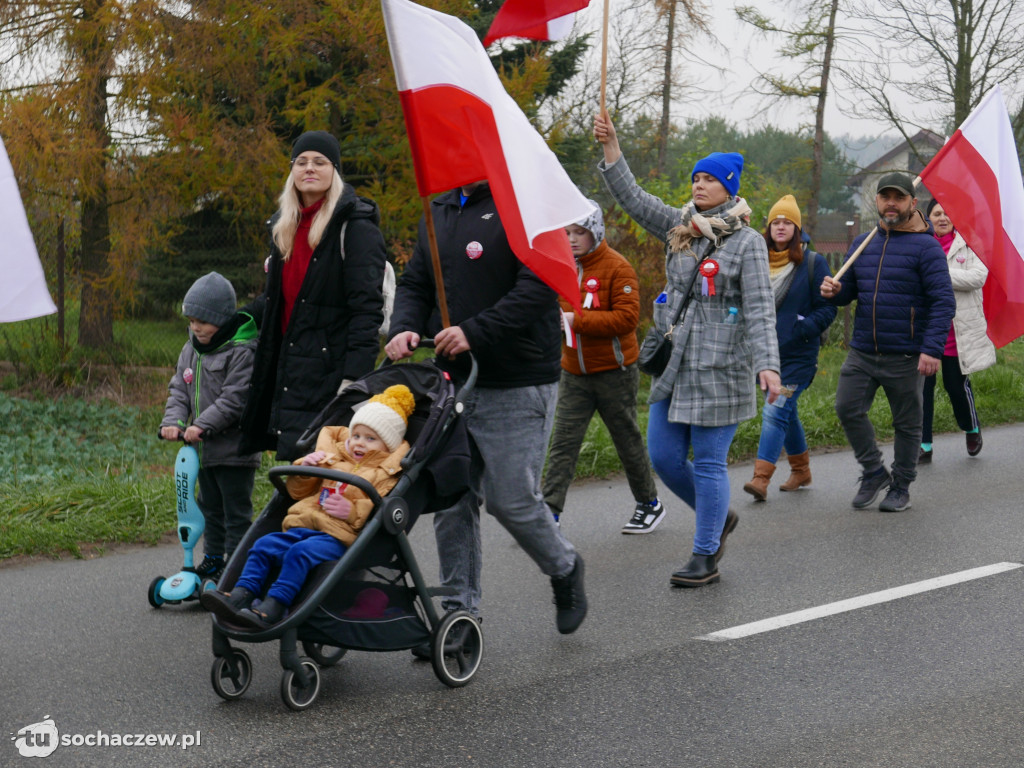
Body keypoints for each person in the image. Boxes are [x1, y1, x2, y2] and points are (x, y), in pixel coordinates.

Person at [384, 179, 587, 639]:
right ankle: (460, 614)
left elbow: (541, 286)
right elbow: (417, 281)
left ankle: (564, 567)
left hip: (517, 378)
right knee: (452, 498)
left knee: (510, 501)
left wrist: (475, 330)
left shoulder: (525, 203)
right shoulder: (437, 207)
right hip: (453, 377)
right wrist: (405, 326)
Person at [594, 113, 782, 588]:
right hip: (674, 367)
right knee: (664, 458)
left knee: (713, 462)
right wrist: (612, 147)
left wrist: (768, 366)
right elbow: (633, 200)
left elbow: (761, 309)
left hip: (722, 369)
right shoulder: (680, 226)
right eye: (696, 178)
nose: (699, 185)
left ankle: (705, 555)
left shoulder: (748, 243)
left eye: (709, 180)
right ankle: (716, 515)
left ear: (729, 187)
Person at [201, 384, 415, 629]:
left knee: (299, 553)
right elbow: (297, 492)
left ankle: (275, 605)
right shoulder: (334, 458)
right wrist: (307, 465)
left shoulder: (383, 474)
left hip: (338, 538)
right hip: (302, 527)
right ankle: (241, 595)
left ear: (388, 445)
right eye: (356, 435)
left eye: (370, 439)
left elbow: (384, 511)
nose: (359, 444)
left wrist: (352, 511)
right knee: (263, 545)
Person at [240, 130, 388, 461]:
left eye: (320, 162)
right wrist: (230, 322)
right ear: (292, 171)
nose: (310, 168)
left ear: (334, 171)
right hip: (289, 369)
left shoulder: (357, 229)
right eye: (301, 161)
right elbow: (277, 302)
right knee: (299, 471)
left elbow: (367, 311)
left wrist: (355, 379)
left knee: (325, 470)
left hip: (331, 373)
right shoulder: (283, 227)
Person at [820, 173, 956, 512]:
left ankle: (901, 486)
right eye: (885, 197)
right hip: (863, 349)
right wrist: (835, 293)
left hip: (907, 354)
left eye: (898, 197)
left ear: (912, 202)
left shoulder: (926, 247)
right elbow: (850, 292)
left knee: (907, 424)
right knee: (846, 408)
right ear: (877, 202)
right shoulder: (864, 242)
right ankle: (873, 471)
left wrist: (931, 349)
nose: (891, 203)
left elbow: (943, 301)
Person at [540, 201, 665, 533]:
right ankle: (549, 514)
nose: (571, 239)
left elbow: (627, 319)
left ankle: (649, 504)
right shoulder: (562, 266)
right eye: (566, 232)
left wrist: (575, 320)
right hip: (573, 372)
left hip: (615, 372)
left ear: (595, 231)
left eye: (579, 232)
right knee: (563, 443)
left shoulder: (617, 267)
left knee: (626, 440)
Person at [160, 272, 261, 581]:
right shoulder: (190, 350)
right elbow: (179, 391)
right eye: (191, 321)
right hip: (202, 452)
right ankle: (214, 560)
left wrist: (201, 425)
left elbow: (235, 399)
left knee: (235, 511)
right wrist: (174, 422)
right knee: (208, 508)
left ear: (221, 317)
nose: (195, 327)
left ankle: (238, 566)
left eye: (202, 321)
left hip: (234, 451)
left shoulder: (241, 352)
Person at [743, 195, 837, 501]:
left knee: (775, 409)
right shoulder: (756, 260)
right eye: (775, 222)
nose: (780, 227)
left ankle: (760, 478)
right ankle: (801, 470)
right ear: (768, 228)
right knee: (786, 411)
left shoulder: (812, 262)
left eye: (787, 222)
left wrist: (800, 328)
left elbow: (827, 310)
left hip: (798, 358)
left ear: (796, 229)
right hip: (765, 356)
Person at [919, 199, 995, 461]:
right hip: (926, 329)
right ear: (928, 218)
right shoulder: (921, 244)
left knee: (955, 385)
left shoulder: (969, 243)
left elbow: (978, 277)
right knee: (922, 389)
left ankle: (971, 427)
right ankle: (924, 445)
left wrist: (940, 273)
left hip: (957, 330)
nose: (942, 218)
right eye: (937, 213)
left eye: (947, 213)